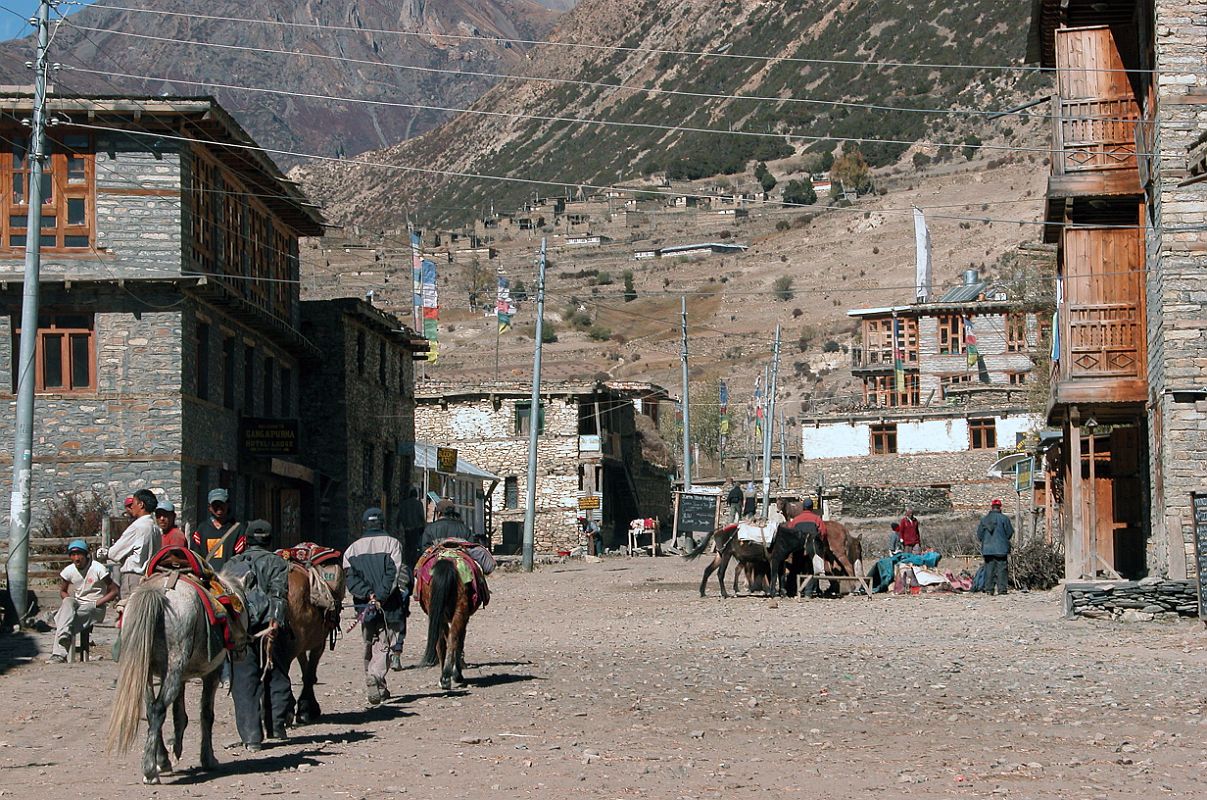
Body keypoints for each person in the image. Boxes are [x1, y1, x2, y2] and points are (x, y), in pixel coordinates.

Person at [224, 519, 290, 750]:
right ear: (270, 540)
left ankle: (251, 738)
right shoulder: (278, 563)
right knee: (277, 673)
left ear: (247, 540)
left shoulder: (231, 564)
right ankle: (276, 728)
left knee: (243, 680)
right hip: (269, 627)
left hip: (240, 629)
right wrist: (276, 622)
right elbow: (279, 594)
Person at [343, 507, 410, 706]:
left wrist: (368, 594)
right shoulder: (393, 544)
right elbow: (393, 573)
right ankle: (375, 675)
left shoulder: (351, 550)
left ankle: (377, 685)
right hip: (389, 604)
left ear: (363, 525)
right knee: (385, 643)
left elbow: (350, 579)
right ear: (382, 523)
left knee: (368, 642)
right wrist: (380, 596)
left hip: (364, 605)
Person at [48, 539, 118, 664]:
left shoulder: (98, 569)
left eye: (79, 554)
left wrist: (98, 602)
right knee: (68, 603)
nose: (76, 558)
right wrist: (68, 601)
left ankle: (59, 653)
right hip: (78, 604)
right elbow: (63, 591)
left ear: (86, 555)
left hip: (95, 607)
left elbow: (114, 590)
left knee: (63, 619)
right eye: (73, 555)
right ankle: (63, 638)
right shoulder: (69, 570)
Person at [101, 488, 161, 598]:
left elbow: (114, 553)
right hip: (151, 577)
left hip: (133, 578)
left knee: (128, 611)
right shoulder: (156, 529)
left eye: (133, 503)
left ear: (141, 504)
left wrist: (105, 552)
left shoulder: (137, 527)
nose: (131, 507)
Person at [191, 488, 245, 573]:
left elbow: (241, 557)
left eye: (222, 504)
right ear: (209, 507)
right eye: (215, 504)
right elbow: (195, 556)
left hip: (229, 579)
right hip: (207, 578)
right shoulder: (202, 529)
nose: (219, 508)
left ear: (228, 505)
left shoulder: (238, 529)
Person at [977, 499, 1014, 596]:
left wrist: (986, 542)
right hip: (1001, 549)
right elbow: (1009, 533)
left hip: (988, 549)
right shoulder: (1004, 519)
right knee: (1002, 569)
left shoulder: (984, 519)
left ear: (991, 507)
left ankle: (989, 589)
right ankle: (1002, 590)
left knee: (989, 569)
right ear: (1000, 507)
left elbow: (979, 535)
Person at [400, 486, 427, 566]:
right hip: (416, 528)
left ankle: (407, 561)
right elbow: (421, 516)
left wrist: (399, 525)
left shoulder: (404, 503)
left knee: (408, 545)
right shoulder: (419, 504)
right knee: (415, 546)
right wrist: (424, 526)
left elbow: (400, 515)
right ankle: (414, 561)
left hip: (407, 528)